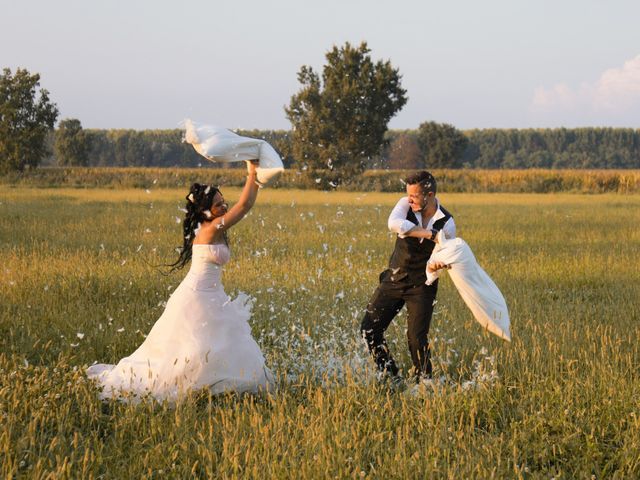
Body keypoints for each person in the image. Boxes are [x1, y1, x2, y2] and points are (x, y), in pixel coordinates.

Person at [87, 161, 273, 401]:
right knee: (190, 350)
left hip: (214, 295)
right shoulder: (210, 229)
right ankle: (195, 387)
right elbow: (245, 204)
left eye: (224, 202)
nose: (224, 207)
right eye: (218, 205)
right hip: (195, 297)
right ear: (205, 211)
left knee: (218, 343)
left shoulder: (214, 227)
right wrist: (253, 175)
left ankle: (221, 387)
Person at [360, 171, 456, 389]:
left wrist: (440, 263)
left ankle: (425, 385)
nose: (410, 199)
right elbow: (394, 224)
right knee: (369, 330)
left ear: (429, 195)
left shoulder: (448, 223)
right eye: (408, 195)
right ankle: (391, 376)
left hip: (423, 285)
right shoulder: (404, 205)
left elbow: (444, 255)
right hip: (394, 279)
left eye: (414, 196)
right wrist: (428, 234)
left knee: (416, 338)